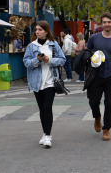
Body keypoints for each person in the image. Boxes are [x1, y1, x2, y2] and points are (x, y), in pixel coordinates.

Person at [23, 20, 66, 148]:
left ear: (47, 31)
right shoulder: (31, 46)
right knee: (42, 109)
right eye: (36, 29)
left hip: (50, 82)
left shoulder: (53, 45)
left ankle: (48, 136)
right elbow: (26, 62)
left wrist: (49, 60)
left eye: (40, 30)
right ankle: (44, 133)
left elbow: (62, 60)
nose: (37, 32)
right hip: (36, 83)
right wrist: (37, 60)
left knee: (47, 107)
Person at [86, 12, 111, 141]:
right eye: (105, 22)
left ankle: (106, 129)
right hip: (95, 74)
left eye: (109, 22)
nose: (107, 24)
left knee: (109, 103)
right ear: (101, 24)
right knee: (93, 101)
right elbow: (86, 54)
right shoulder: (94, 38)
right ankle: (97, 116)